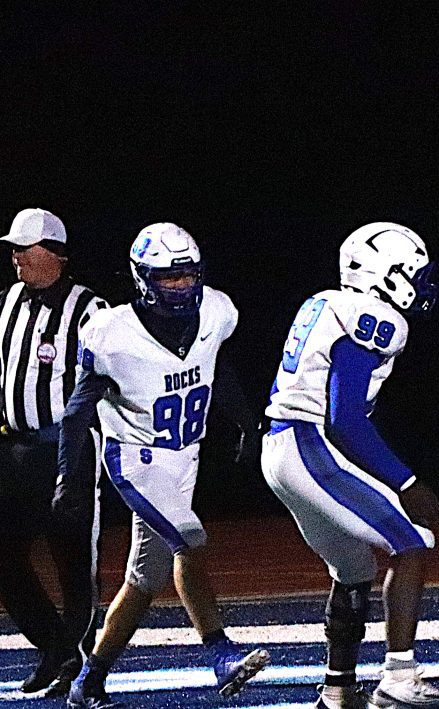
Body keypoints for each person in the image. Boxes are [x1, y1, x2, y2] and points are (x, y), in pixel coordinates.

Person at [54, 223, 268, 708]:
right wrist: (70, 476)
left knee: (143, 579)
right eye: (169, 277)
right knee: (190, 539)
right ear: (142, 278)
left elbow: (218, 367)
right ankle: (219, 653)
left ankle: (88, 682)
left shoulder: (215, 312)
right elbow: (77, 412)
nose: (182, 285)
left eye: (188, 274)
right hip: (136, 459)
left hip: (183, 461)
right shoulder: (112, 334)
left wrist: (247, 424)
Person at [261, 222, 439, 709]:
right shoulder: (371, 315)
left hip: (284, 447)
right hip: (307, 443)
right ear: (389, 274)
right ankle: (399, 678)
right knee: (411, 544)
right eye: (414, 273)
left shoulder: (326, 302)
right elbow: (345, 420)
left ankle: (337, 689)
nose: (421, 285)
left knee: (352, 567)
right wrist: (407, 481)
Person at [0, 208, 107, 696]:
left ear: (55, 254)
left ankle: (79, 663)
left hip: (68, 451)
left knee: (72, 563)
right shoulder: (7, 303)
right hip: (14, 449)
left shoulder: (91, 311)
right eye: (15, 247)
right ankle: (56, 649)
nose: (16, 255)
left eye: (26, 247)